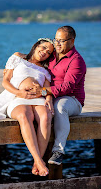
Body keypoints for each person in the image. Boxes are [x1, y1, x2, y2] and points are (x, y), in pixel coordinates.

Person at [0, 38, 55, 176]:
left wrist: (49, 99)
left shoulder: (45, 70)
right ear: (37, 45)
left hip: (38, 99)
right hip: (17, 98)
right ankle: (39, 161)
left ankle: (37, 161)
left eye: (49, 52)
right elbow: (5, 81)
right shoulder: (18, 57)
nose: (45, 52)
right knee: (24, 115)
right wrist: (19, 93)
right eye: (44, 47)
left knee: (46, 116)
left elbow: (47, 89)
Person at [31, 26, 86, 166]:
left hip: (72, 100)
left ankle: (58, 151)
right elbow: (35, 59)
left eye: (62, 41)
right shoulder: (52, 54)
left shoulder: (76, 61)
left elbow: (67, 87)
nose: (57, 44)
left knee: (60, 106)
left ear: (72, 41)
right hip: (50, 95)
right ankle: (36, 154)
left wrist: (43, 92)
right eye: (56, 40)